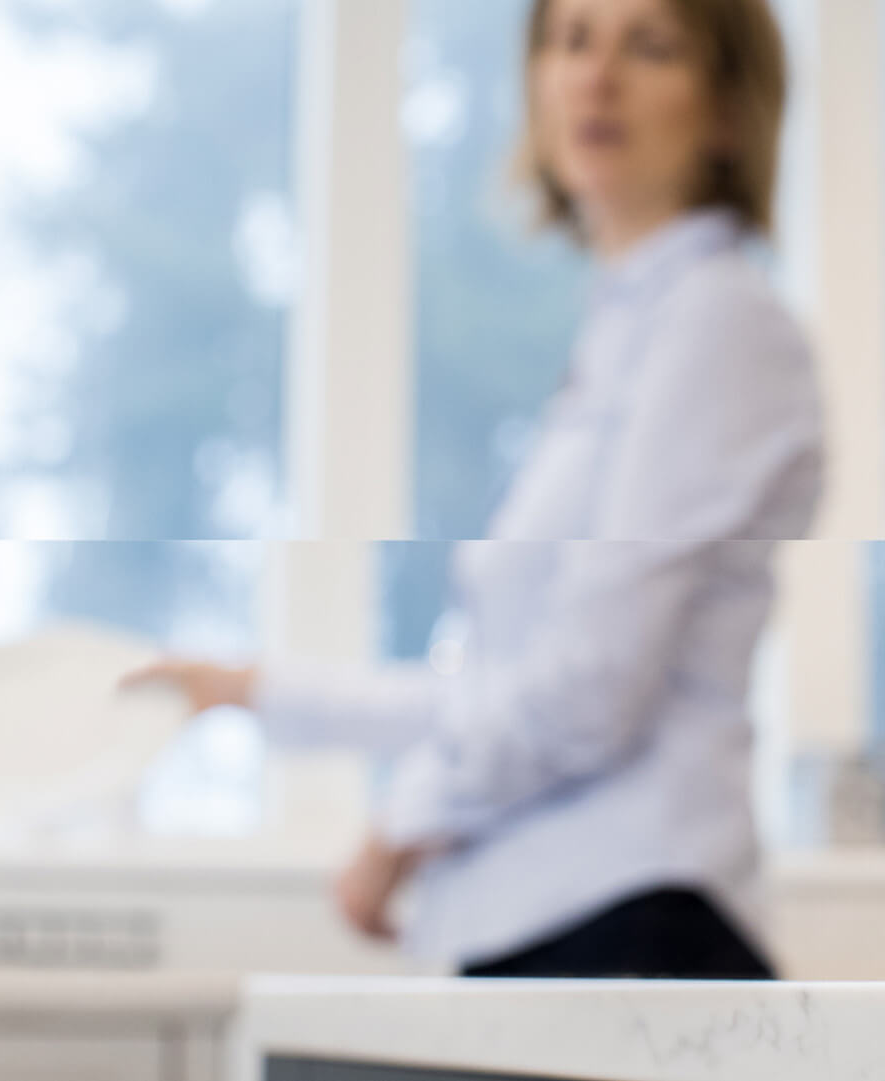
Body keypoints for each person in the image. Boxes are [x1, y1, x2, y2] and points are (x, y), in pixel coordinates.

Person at [125, 0, 818, 980]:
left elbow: (588, 688)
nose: (595, 76)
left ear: (727, 110)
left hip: (632, 921)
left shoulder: (719, 323)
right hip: (569, 928)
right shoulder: (629, 330)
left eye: (650, 46)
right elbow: (503, 687)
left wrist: (397, 830)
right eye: (571, 39)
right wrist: (251, 689)